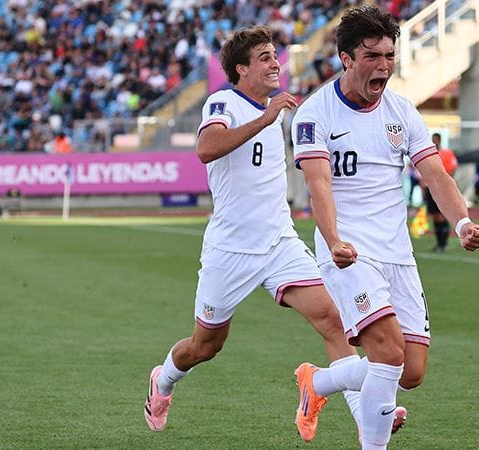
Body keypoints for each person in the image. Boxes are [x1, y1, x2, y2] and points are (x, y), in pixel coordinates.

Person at [142, 25, 360, 434]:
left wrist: (272, 115)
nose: (275, 62)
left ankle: (364, 417)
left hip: (279, 243)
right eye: (264, 57)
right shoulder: (225, 101)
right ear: (241, 69)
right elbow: (206, 149)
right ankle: (164, 380)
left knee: (334, 319)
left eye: (274, 55)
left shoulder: (273, 110)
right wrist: (266, 117)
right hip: (231, 250)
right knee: (205, 346)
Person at [291, 6, 479, 449]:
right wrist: (333, 237)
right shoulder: (314, 113)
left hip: (397, 253)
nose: (383, 66)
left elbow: (435, 174)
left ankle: (317, 384)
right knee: (387, 354)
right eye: (372, 56)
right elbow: (318, 183)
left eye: (389, 56)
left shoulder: (402, 111)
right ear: (346, 58)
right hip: (348, 252)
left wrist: (462, 223)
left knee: (411, 371)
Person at [422, 133, 458, 252]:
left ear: (439, 140)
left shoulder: (446, 153)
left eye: (435, 140)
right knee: (435, 217)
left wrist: (446, 184)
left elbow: (452, 168)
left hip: (441, 188)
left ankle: (444, 243)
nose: (433, 142)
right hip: (430, 187)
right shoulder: (428, 155)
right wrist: (423, 187)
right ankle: (439, 243)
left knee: (442, 215)